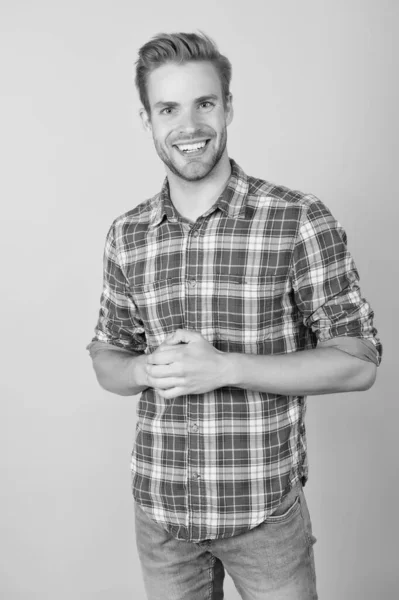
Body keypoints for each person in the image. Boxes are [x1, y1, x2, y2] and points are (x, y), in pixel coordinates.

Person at [87, 31, 382, 600]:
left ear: (228, 107)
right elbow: (106, 355)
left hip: (264, 514)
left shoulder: (296, 218)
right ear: (146, 119)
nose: (189, 125)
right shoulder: (127, 235)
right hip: (162, 515)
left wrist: (224, 367)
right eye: (168, 108)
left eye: (205, 103)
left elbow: (358, 363)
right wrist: (144, 371)